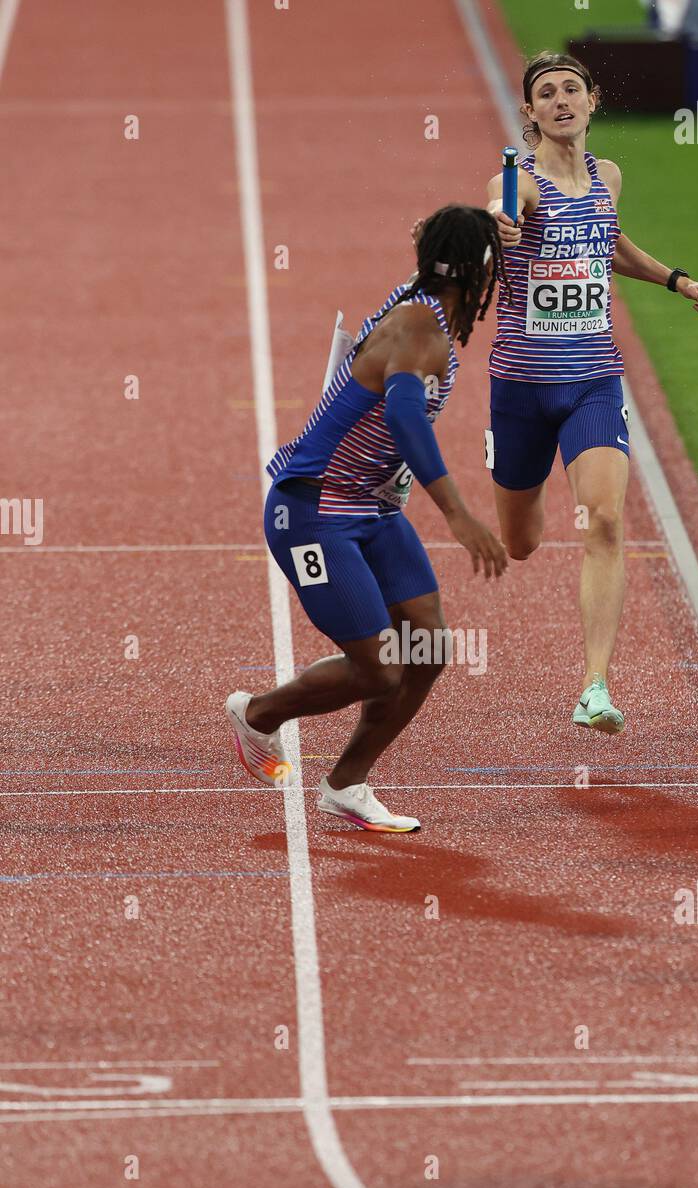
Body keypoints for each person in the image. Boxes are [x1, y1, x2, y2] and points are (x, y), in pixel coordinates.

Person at [226, 205, 508, 832]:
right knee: (378, 665)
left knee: (428, 646)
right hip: (313, 509)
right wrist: (459, 516)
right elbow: (407, 420)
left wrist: (492, 223)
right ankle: (261, 713)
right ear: (477, 271)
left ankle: (346, 783)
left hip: (372, 510)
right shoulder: (418, 330)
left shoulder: (426, 301)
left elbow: (454, 236)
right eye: (494, 262)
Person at [485, 51, 698, 733]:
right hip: (522, 388)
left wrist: (676, 280)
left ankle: (594, 685)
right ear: (529, 114)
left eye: (571, 90)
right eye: (545, 94)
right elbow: (499, 214)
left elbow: (607, 243)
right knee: (522, 541)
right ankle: (501, 463)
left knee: (608, 520)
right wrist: (492, 227)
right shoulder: (519, 182)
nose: (560, 100)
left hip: (593, 378)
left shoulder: (606, 176)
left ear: (592, 102)